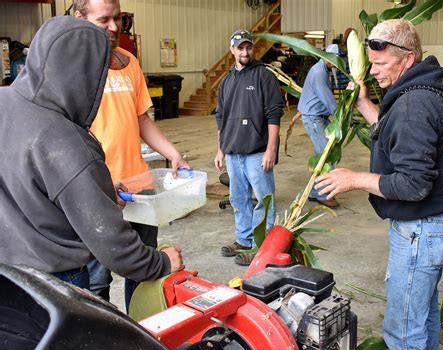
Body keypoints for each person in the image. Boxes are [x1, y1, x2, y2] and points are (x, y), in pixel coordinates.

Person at [0, 16, 183, 292]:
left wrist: (99, 188)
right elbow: (114, 246)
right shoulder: (69, 143)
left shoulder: (4, 103)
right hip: (55, 283)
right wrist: (161, 263)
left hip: (9, 276)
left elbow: (31, 183)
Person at [315, 19, 443, 350]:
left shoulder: (414, 104)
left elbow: (413, 184)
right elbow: (397, 133)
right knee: (422, 316)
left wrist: (353, 178)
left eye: (381, 64)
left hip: (420, 230)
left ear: (408, 59)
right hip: (433, 225)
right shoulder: (425, 90)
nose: (375, 72)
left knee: (402, 331)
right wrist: (363, 105)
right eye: (371, 63)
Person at [73, 0, 190, 308]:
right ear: (78, 17)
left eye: (118, 19)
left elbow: (141, 121)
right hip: (98, 192)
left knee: (143, 271)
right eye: (104, 20)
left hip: (139, 188)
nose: (114, 27)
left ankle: (138, 331)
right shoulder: (71, 69)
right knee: (96, 280)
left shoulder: (128, 62)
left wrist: (172, 153)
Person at [214, 29, 284, 266]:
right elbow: (221, 117)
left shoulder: (264, 76)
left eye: (248, 47)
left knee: (264, 201)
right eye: (240, 47)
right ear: (232, 49)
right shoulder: (226, 81)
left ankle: (260, 247)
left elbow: (274, 113)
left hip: (257, 152)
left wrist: (271, 149)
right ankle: (243, 240)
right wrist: (220, 149)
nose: (245, 52)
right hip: (233, 152)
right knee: (238, 199)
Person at [297, 44, 341, 208]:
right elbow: (327, 98)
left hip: (320, 116)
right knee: (326, 154)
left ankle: (316, 192)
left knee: (323, 154)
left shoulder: (327, 70)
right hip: (314, 118)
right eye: (333, 59)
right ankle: (322, 194)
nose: (335, 63)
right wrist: (340, 114)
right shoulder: (318, 73)